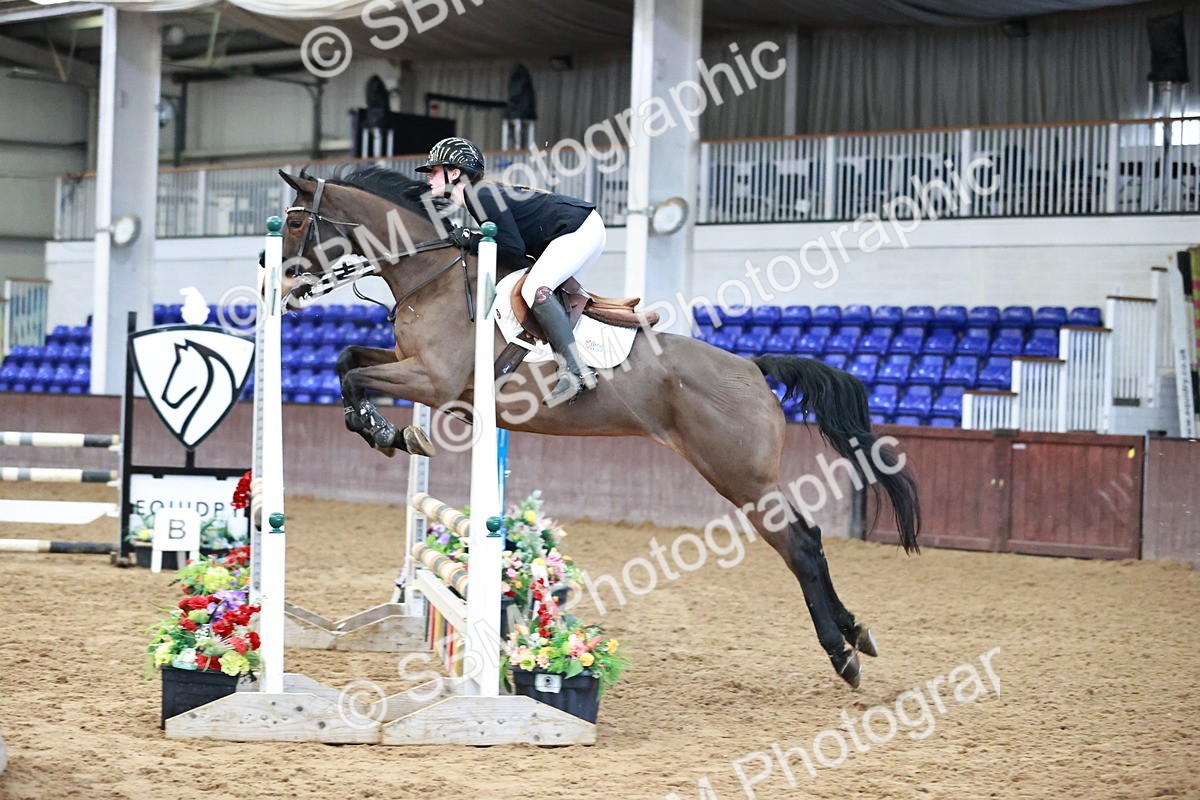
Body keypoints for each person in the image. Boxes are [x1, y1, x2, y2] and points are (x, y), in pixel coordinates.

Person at [416, 137, 604, 405]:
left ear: (455, 172)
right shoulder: (479, 195)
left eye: (434, 171)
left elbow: (511, 248)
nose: (429, 178)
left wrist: (471, 239)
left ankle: (575, 371)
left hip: (579, 229)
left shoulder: (478, 194)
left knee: (535, 289)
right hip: (580, 229)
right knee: (542, 290)